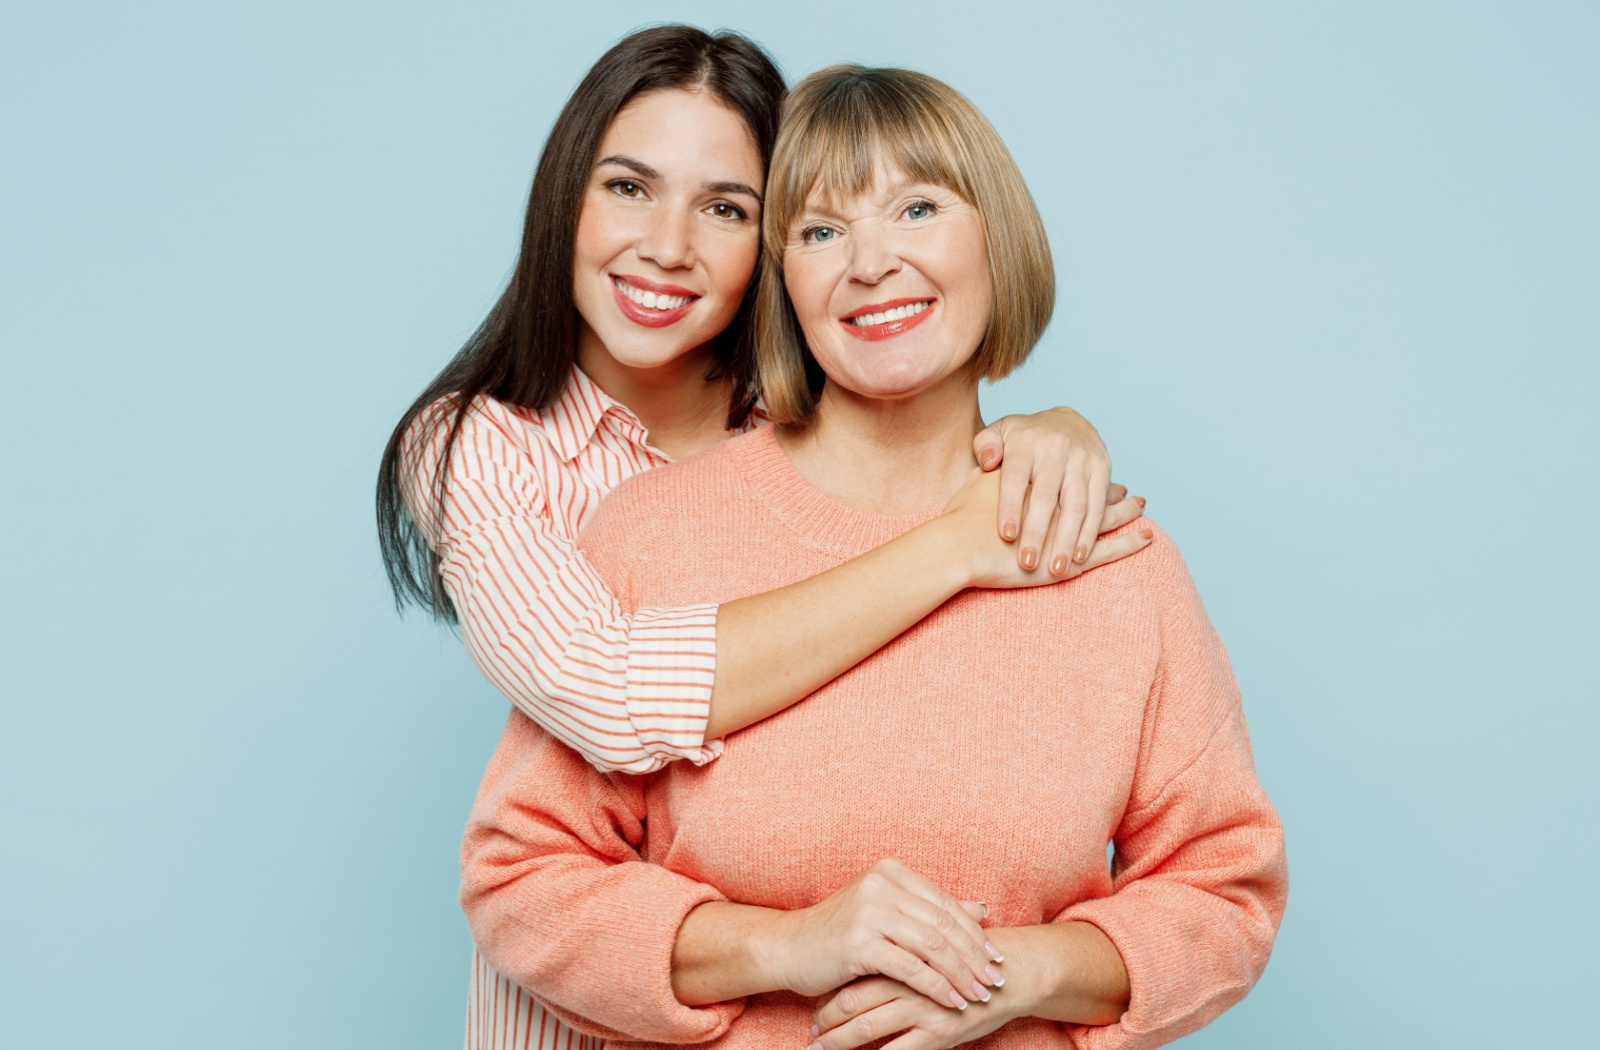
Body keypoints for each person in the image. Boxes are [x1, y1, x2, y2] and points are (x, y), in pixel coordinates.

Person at [459, 64, 1287, 1050]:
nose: (869, 261)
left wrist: (1020, 973)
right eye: (819, 231)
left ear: (998, 239)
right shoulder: (649, 532)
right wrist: (782, 945)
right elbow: (525, 881)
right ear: (782, 282)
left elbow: (1222, 893)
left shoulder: (1107, 554)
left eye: (917, 208)